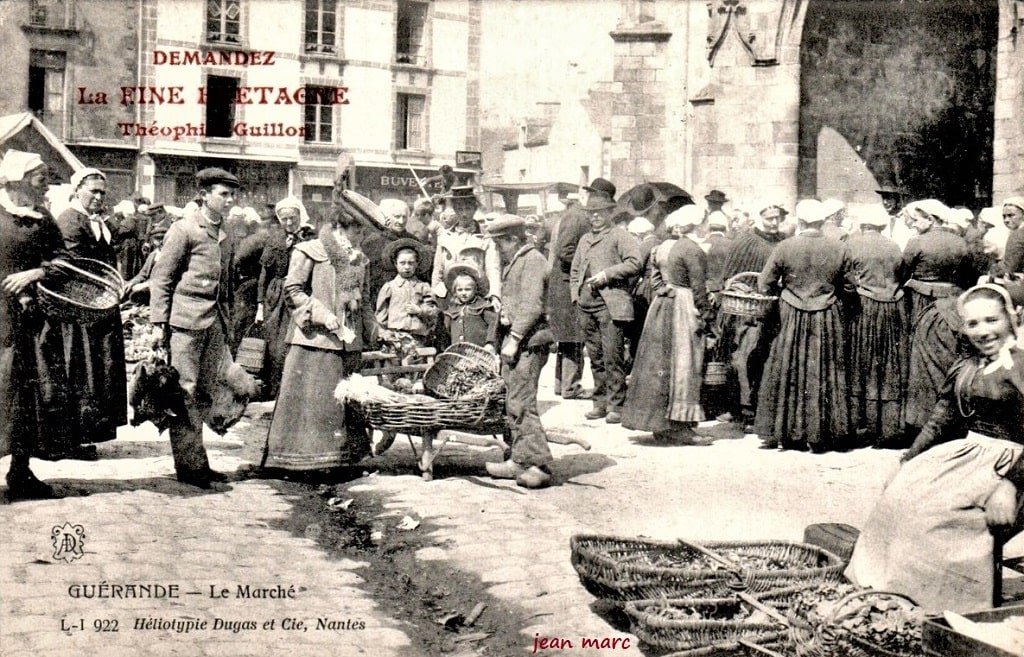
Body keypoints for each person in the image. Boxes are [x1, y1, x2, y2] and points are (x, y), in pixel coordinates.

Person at [847, 283, 1024, 613]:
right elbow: (943, 417)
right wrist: (907, 460)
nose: (983, 331)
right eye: (973, 324)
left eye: (991, 320)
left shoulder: (1021, 364)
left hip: (1011, 465)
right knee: (899, 499)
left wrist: (1010, 485)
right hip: (971, 455)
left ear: (1010, 318)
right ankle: (888, 599)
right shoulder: (969, 364)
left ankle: (947, 609)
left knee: (933, 518)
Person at [260, 210, 375, 474]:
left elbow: (364, 301)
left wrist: (378, 332)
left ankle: (341, 462)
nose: (361, 237)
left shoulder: (359, 258)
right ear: (339, 227)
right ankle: (301, 463)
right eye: (357, 230)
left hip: (348, 343)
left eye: (363, 231)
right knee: (313, 405)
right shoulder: (310, 250)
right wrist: (323, 315)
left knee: (344, 404)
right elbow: (293, 290)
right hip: (315, 341)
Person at [150, 167, 239, 488]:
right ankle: (189, 467)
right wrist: (159, 324)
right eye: (223, 194)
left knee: (204, 393)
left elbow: (227, 285)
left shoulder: (226, 234)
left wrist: (228, 325)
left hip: (214, 324)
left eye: (232, 195)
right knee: (183, 392)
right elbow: (162, 278)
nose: (230, 200)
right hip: (185, 323)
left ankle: (198, 460)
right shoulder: (184, 229)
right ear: (204, 195)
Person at [0, 150, 75, 499]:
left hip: (30, 321)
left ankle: (20, 472)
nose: (47, 181)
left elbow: (63, 260)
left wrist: (35, 273)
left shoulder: (43, 218)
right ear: (18, 177)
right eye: (40, 175)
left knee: (28, 395)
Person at [755, 199, 853, 452]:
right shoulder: (838, 247)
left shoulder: (785, 246)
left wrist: (784, 291)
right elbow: (850, 286)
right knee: (824, 369)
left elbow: (764, 283)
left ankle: (787, 432)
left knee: (788, 366)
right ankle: (823, 432)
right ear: (822, 221)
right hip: (827, 313)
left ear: (800, 221)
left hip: (791, 312)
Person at [53, 167, 128, 454]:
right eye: (93, 191)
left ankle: (86, 432)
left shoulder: (95, 221)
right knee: (80, 368)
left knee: (99, 368)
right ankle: (71, 438)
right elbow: (75, 265)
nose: (98, 197)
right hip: (79, 306)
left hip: (99, 304)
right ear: (77, 191)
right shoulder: (70, 220)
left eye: (102, 192)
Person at [623, 205, 709, 441]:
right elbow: (699, 289)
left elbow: (654, 279)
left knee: (659, 363)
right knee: (684, 363)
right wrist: (707, 315)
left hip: (661, 306)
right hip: (683, 305)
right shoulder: (691, 249)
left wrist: (665, 290)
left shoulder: (662, 248)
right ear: (697, 224)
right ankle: (681, 426)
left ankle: (660, 423)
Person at [484, 215, 556, 489]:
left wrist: (513, 338)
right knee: (513, 401)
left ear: (512, 240)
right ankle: (519, 458)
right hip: (518, 340)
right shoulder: (518, 261)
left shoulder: (533, 261)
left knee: (523, 403)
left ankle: (538, 465)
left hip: (529, 341)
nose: (498, 249)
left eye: (500, 243)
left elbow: (532, 305)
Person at [570, 186, 642, 424]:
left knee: (613, 357)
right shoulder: (585, 239)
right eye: (591, 213)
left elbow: (635, 263)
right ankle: (599, 403)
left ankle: (616, 406)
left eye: (600, 212)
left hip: (610, 306)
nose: (596, 216)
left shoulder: (620, 236)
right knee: (595, 357)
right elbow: (575, 270)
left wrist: (607, 274)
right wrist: (575, 296)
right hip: (586, 305)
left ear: (610, 212)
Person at [718, 202, 787, 428]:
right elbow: (731, 275)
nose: (774, 222)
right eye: (769, 218)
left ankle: (762, 409)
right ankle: (744, 410)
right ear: (759, 218)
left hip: (773, 308)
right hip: (747, 310)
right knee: (744, 358)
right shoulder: (745, 241)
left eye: (777, 217)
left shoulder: (784, 240)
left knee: (767, 358)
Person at [845, 206, 908, 448]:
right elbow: (901, 274)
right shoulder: (893, 246)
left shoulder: (852, 244)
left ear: (862, 224)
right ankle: (886, 426)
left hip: (864, 307)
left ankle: (858, 423)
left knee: (860, 363)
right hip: (891, 309)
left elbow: (847, 278)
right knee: (887, 364)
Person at [254, 196, 315, 399]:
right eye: (284, 219)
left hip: (300, 295)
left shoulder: (310, 237)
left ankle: (296, 390)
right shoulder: (274, 238)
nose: (289, 223)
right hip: (276, 296)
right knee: (275, 344)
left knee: (299, 340)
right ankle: (275, 389)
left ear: (300, 215)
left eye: (293, 218)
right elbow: (265, 273)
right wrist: (261, 305)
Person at [547, 191, 591, 400]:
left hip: (560, 284)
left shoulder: (567, 216)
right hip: (567, 285)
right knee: (574, 336)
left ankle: (561, 383)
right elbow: (566, 251)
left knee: (566, 338)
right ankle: (571, 386)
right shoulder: (578, 216)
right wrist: (588, 264)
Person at [431, 186, 501, 307]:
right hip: (448, 296)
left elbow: (493, 268)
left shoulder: (486, 237)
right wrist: (434, 294)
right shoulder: (445, 236)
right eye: (459, 209)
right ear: (454, 210)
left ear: (474, 209)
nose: (464, 214)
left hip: (475, 295)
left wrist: (494, 295)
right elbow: (438, 270)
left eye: (468, 208)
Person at [376, 238, 438, 350]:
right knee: (395, 365)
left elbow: (433, 311)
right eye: (402, 263)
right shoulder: (389, 287)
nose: (407, 267)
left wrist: (420, 311)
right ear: (395, 263)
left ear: (417, 264)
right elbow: (381, 315)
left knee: (417, 365)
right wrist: (384, 334)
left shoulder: (423, 287)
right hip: (395, 339)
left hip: (418, 339)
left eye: (411, 263)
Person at [442, 262, 498, 351]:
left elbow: (493, 324)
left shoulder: (483, 306)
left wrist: (490, 343)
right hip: (457, 351)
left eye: (468, 289)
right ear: (455, 292)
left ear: (475, 289)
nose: (464, 293)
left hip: (479, 350)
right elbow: (445, 331)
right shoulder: (452, 310)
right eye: (460, 290)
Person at [124, 221, 168, 300]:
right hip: (150, 285)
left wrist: (146, 284)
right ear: (153, 240)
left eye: (162, 239)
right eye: (157, 239)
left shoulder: (171, 255)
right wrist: (132, 282)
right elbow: (143, 273)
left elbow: (166, 278)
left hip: (162, 287)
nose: (160, 242)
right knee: (126, 291)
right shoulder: (153, 254)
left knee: (136, 295)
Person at [999, 196, 1024, 274]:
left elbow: (1009, 267)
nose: (1006, 220)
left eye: (1011, 215)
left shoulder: (1018, 235)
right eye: (1004, 216)